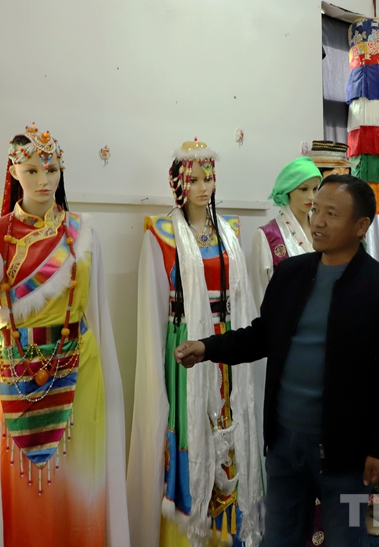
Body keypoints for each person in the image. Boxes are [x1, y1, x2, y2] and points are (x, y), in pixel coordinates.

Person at [176, 174, 379, 547]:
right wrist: (207, 348)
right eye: (316, 209)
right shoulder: (292, 274)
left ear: (361, 226)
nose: (317, 221)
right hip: (284, 444)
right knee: (279, 539)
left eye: (331, 214)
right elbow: (262, 335)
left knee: (345, 540)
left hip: (346, 451)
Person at [0, 124, 130, 547]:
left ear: (61, 171)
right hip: (17, 373)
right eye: (32, 170)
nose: (43, 180)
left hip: (81, 369)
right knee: (24, 492)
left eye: (51, 170)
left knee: (81, 485)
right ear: (14, 171)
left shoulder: (83, 232)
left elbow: (99, 315)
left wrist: (111, 387)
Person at [127, 139, 264, 547]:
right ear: (179, 184)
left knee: (231, 421)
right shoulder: (162, 233)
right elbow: (154, 305)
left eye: (209, 178)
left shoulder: (230, 230)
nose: (204, 188)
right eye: (195, 180)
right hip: (186, 341)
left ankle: (231, 531)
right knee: (193, 426)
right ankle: (190, 531)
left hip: (228, 338)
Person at [249, 156, 320, 309]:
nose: (311, 197)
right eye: (303, 189)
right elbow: (259, 293)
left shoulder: (322, 230)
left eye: (315, 189)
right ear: (288, 190)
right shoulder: (267, 236)